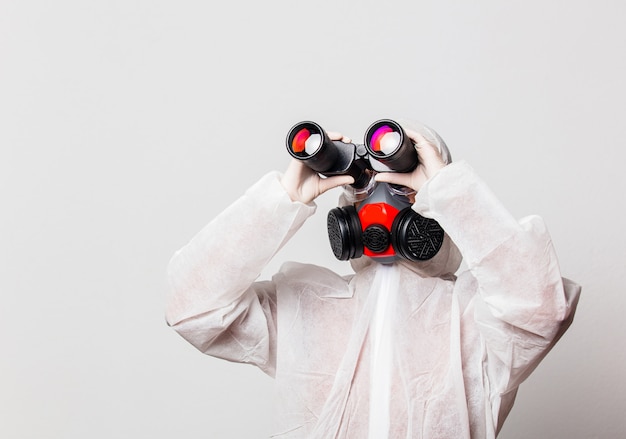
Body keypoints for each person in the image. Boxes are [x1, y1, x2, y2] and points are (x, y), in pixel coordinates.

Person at [165, 121, 580, 438]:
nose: (382, 196)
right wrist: (280, 202)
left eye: (403, 180)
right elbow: (193, 307)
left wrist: (449, 192)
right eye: (367, 183)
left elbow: (541, 309)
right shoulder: (307, 312)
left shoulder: (472, 318)